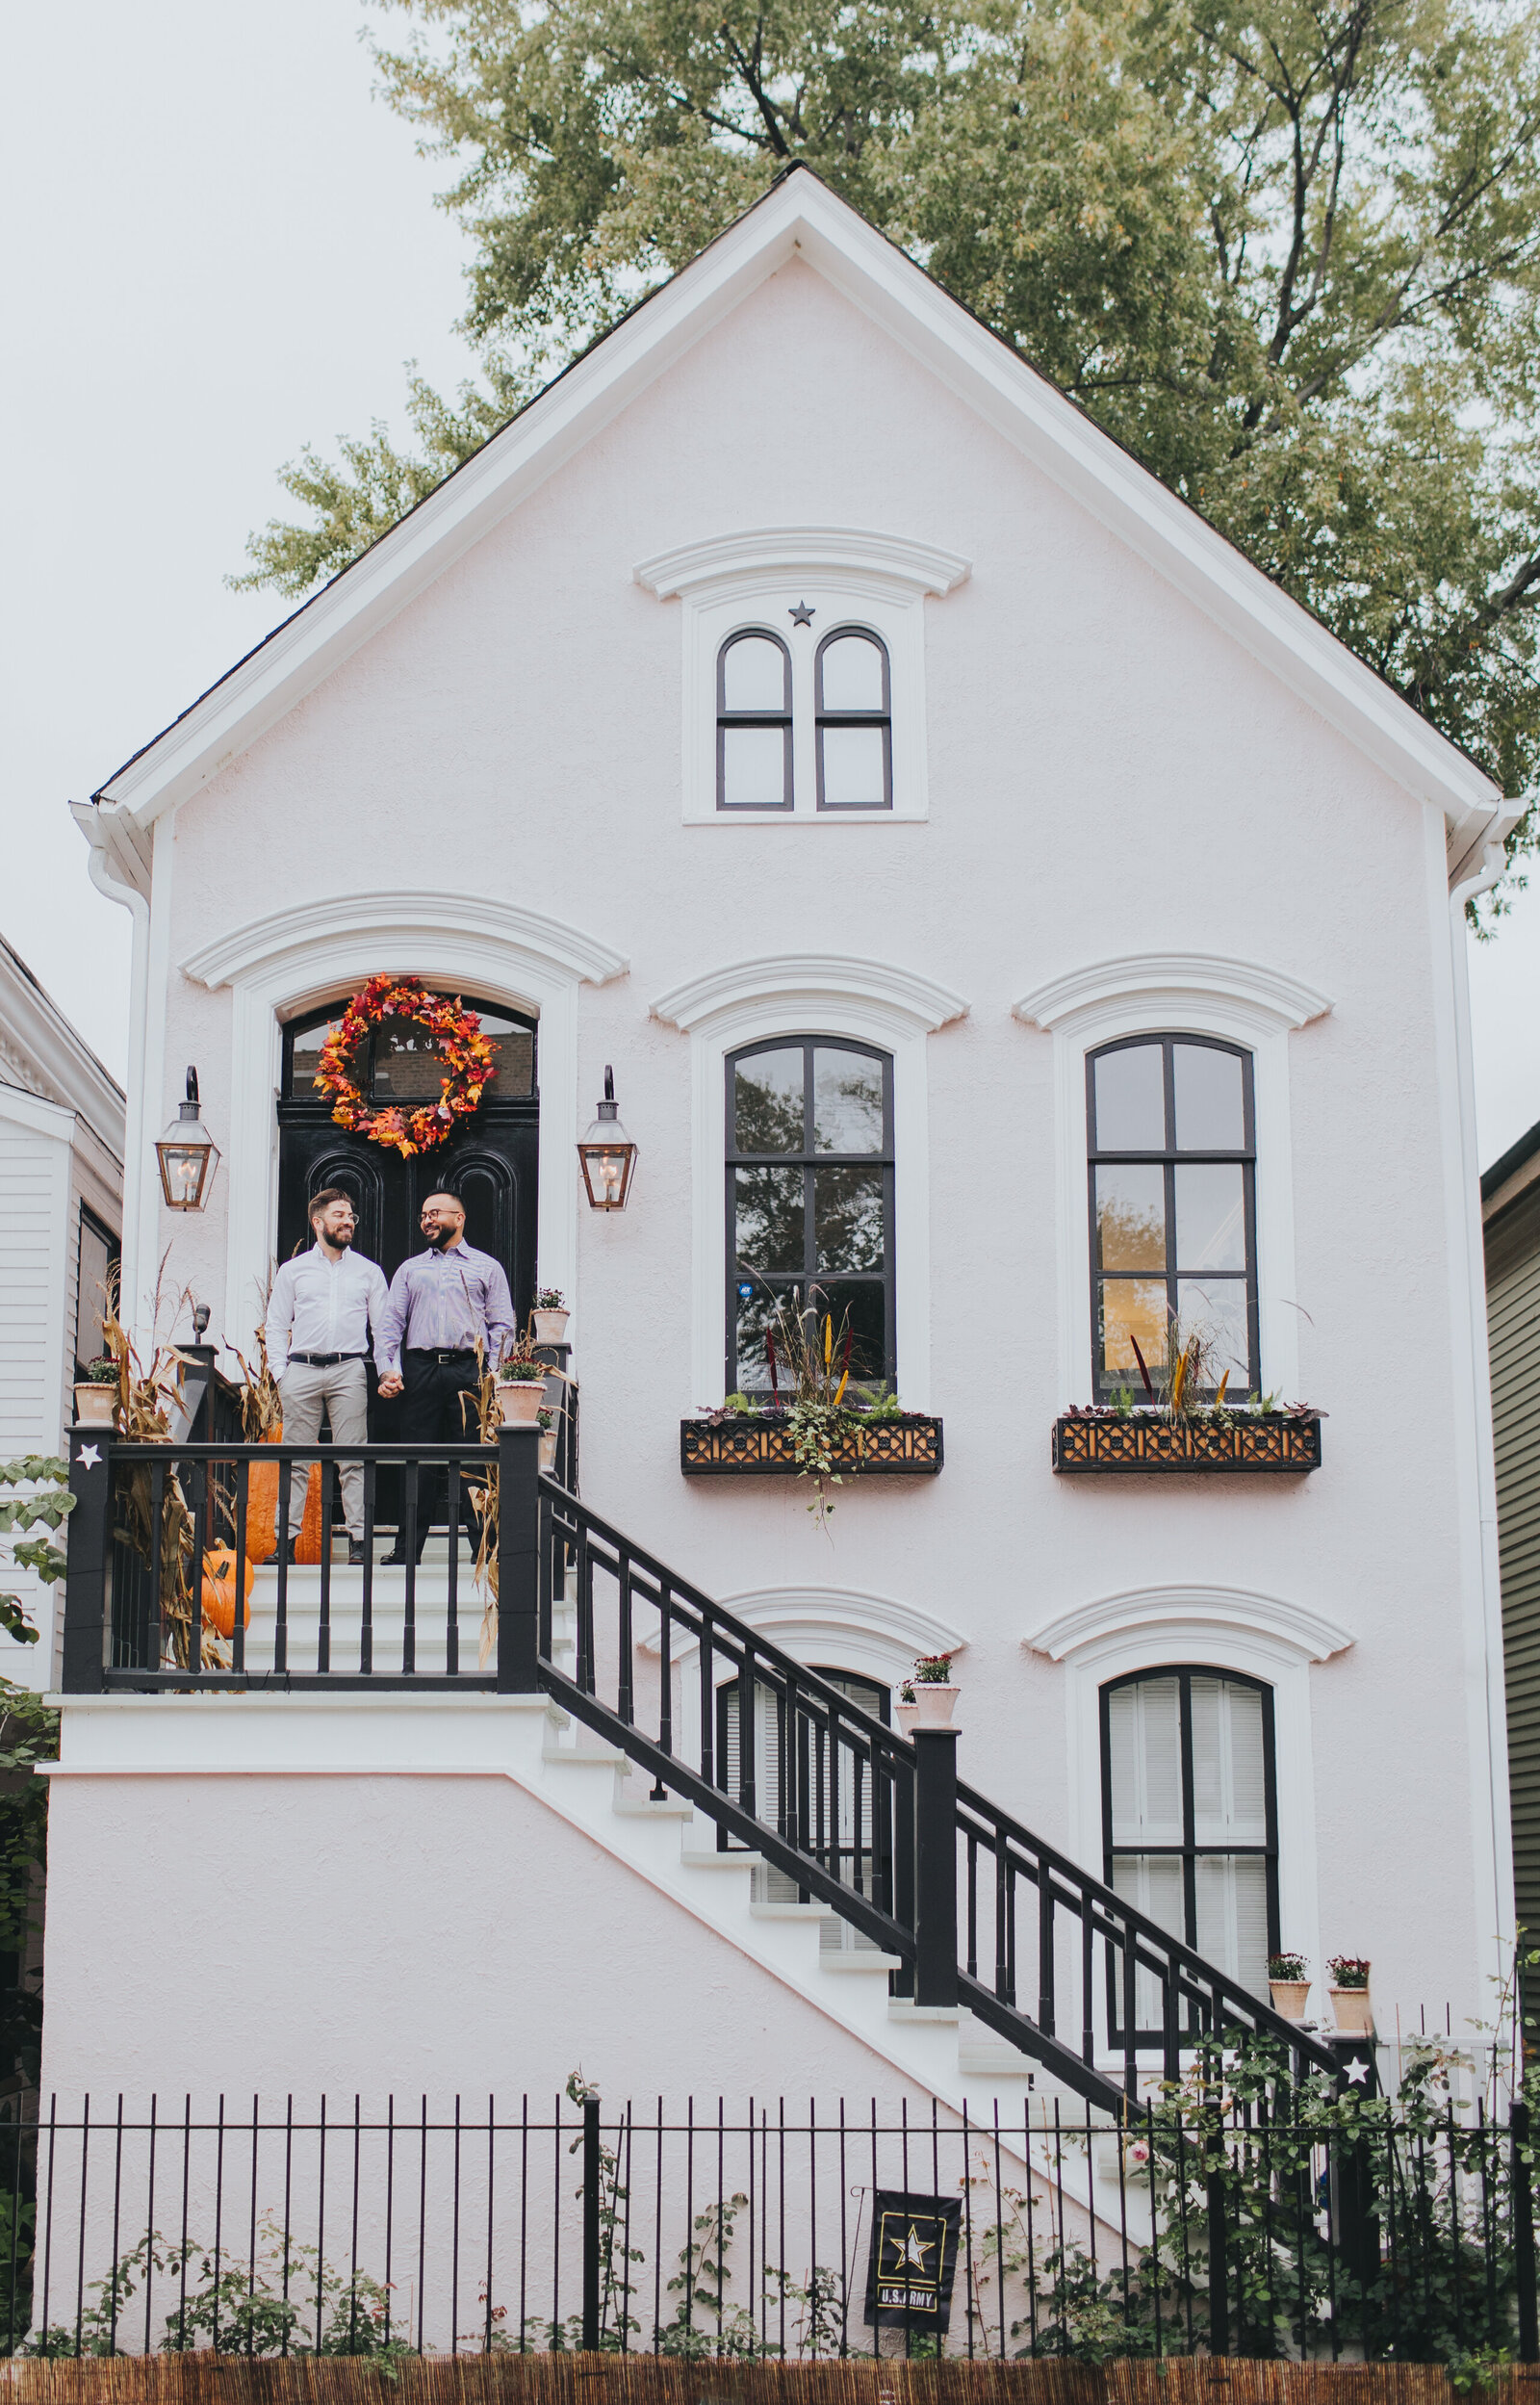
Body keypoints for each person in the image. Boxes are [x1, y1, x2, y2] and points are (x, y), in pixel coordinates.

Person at [376, 1190, 517, 1565]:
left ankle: (484, 1549)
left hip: (468, 1370)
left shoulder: (487, 1267)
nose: (427, 1220)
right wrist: (389, 1369)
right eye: (423, 1214)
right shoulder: (409, 1269)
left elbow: (503, 1325)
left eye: (435, 1213)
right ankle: (407, 1551)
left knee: (473, 1461)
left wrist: (495, 1377)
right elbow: (390, 1326)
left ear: (460, 1218)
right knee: (417, 1460)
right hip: (419, 1371)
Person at [266, 1188, 390, 1565]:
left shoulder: (369, 1272)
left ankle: (359, 1541)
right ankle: (283, 1543)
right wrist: (280, 1374)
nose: (348, 1221)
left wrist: (385, 1372)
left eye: (351, 1215)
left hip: (348, 1369)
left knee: (353, 1457)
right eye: (339, 1215)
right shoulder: (293, 1271)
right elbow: (275, 1325)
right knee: (295, 1460)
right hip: (300, 1370)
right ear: (318, 1222)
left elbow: (382, 1331)